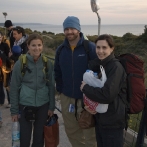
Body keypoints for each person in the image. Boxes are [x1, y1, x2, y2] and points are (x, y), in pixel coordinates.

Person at [54, 16, 97, 147]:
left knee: (90, 133)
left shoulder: (90, 48)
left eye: (72, 28)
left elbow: (99, 72)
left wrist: (94, 96)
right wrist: (61, 91)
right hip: (67, 98)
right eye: (66, 29)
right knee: (72, 132)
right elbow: (57, 72)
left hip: (87, 99)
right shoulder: (60, 50)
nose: (69, 32)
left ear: (78, 29)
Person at [80, 34, 127, 147]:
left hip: (113, 122)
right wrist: (86, 106)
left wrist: (85, 88)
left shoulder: (115, 67)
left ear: (112, 48)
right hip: (101, 119)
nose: (100, 51)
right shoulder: (101, 65)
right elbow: (95, 88)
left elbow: (107, 95)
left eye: (104, 47)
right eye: (98, 47)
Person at [9, 33, 55, 147]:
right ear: (28, 46)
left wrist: (51, 107)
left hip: (43, 105)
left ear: (42, 46)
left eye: (39, 45)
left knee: (39, 139)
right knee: (24, 138)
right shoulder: (20, 63)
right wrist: (14, 111)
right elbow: (14, 87)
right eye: (33, 45)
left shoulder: (47, 63)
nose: (37, 48)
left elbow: (51, 86)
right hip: (25, 105)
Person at [0, 32, 10, 106]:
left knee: (6, 85)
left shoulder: (5, 45)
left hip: (4, 68)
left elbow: (8, 56)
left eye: (0, 37)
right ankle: (1, 101)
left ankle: (10, 101)